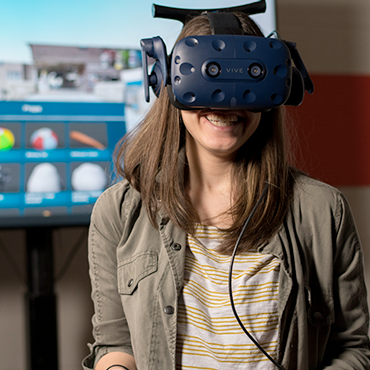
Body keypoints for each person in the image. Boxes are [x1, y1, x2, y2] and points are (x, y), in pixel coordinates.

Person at [82, 11, 370, 370]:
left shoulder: (322, 211)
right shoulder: (118, 211)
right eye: (210, 76)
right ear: (167, 81)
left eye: (248, 79)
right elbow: (116, 343)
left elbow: (353, 348)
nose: (224, 104)